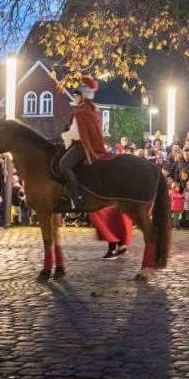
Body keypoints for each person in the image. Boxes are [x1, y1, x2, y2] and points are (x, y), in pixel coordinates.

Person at [60, 78, 132, 259]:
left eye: (78, 94)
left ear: (83, 94)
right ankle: (120, 243)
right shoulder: (91, 109)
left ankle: (75, 194)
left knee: (63, 164)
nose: (76, 98)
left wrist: (63, 137)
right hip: (91, 147)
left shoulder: (83, 110)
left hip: (82, 146)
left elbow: (76, 134)